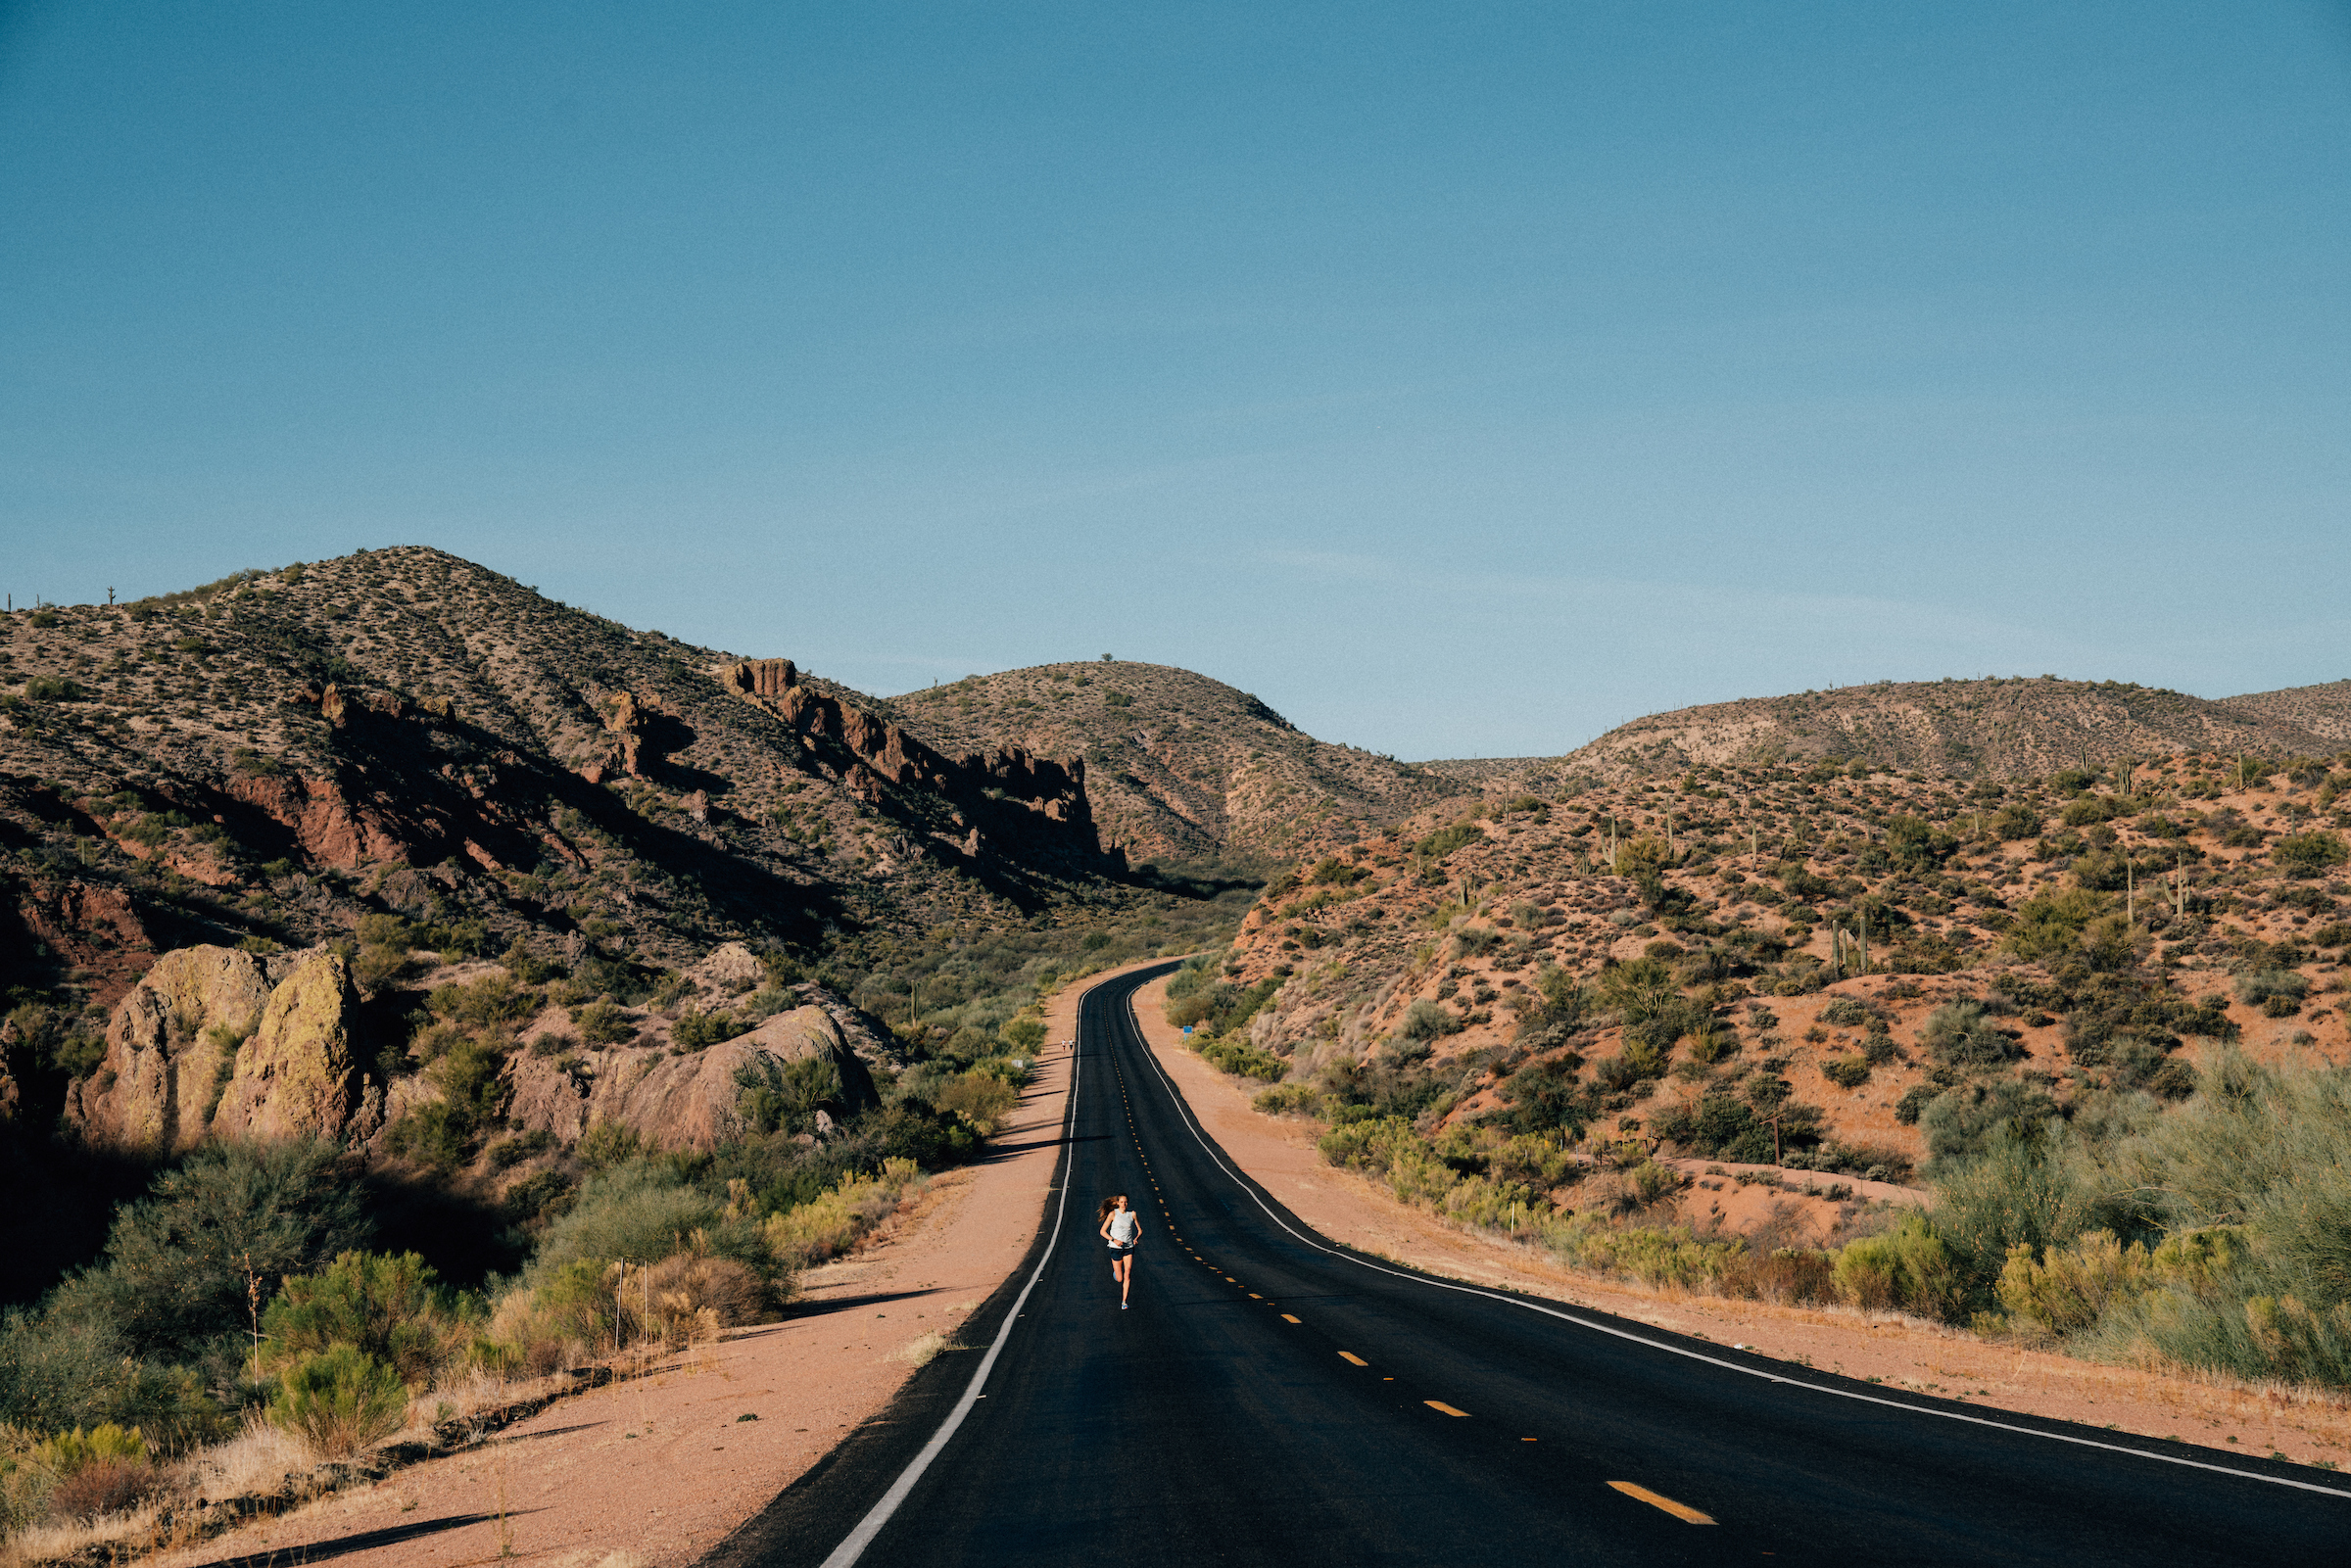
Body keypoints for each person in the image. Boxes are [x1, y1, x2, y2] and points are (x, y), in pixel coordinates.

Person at [1097, 1194, 1141, 1308]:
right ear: (1117, 1203)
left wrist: (1136, 1239)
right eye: (1122, 1202)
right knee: (1120, 1278)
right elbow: (1102, 1231)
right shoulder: (1113, 1214)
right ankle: (1116, 1274)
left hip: (1128, 1248)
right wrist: (1113, 1240)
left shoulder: (1132, 1214)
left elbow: (1139, 1230)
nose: (1124, 1204)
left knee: (1127, 1274)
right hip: (1115, 1248)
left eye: (1126, 1202)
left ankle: (1124, 1301)